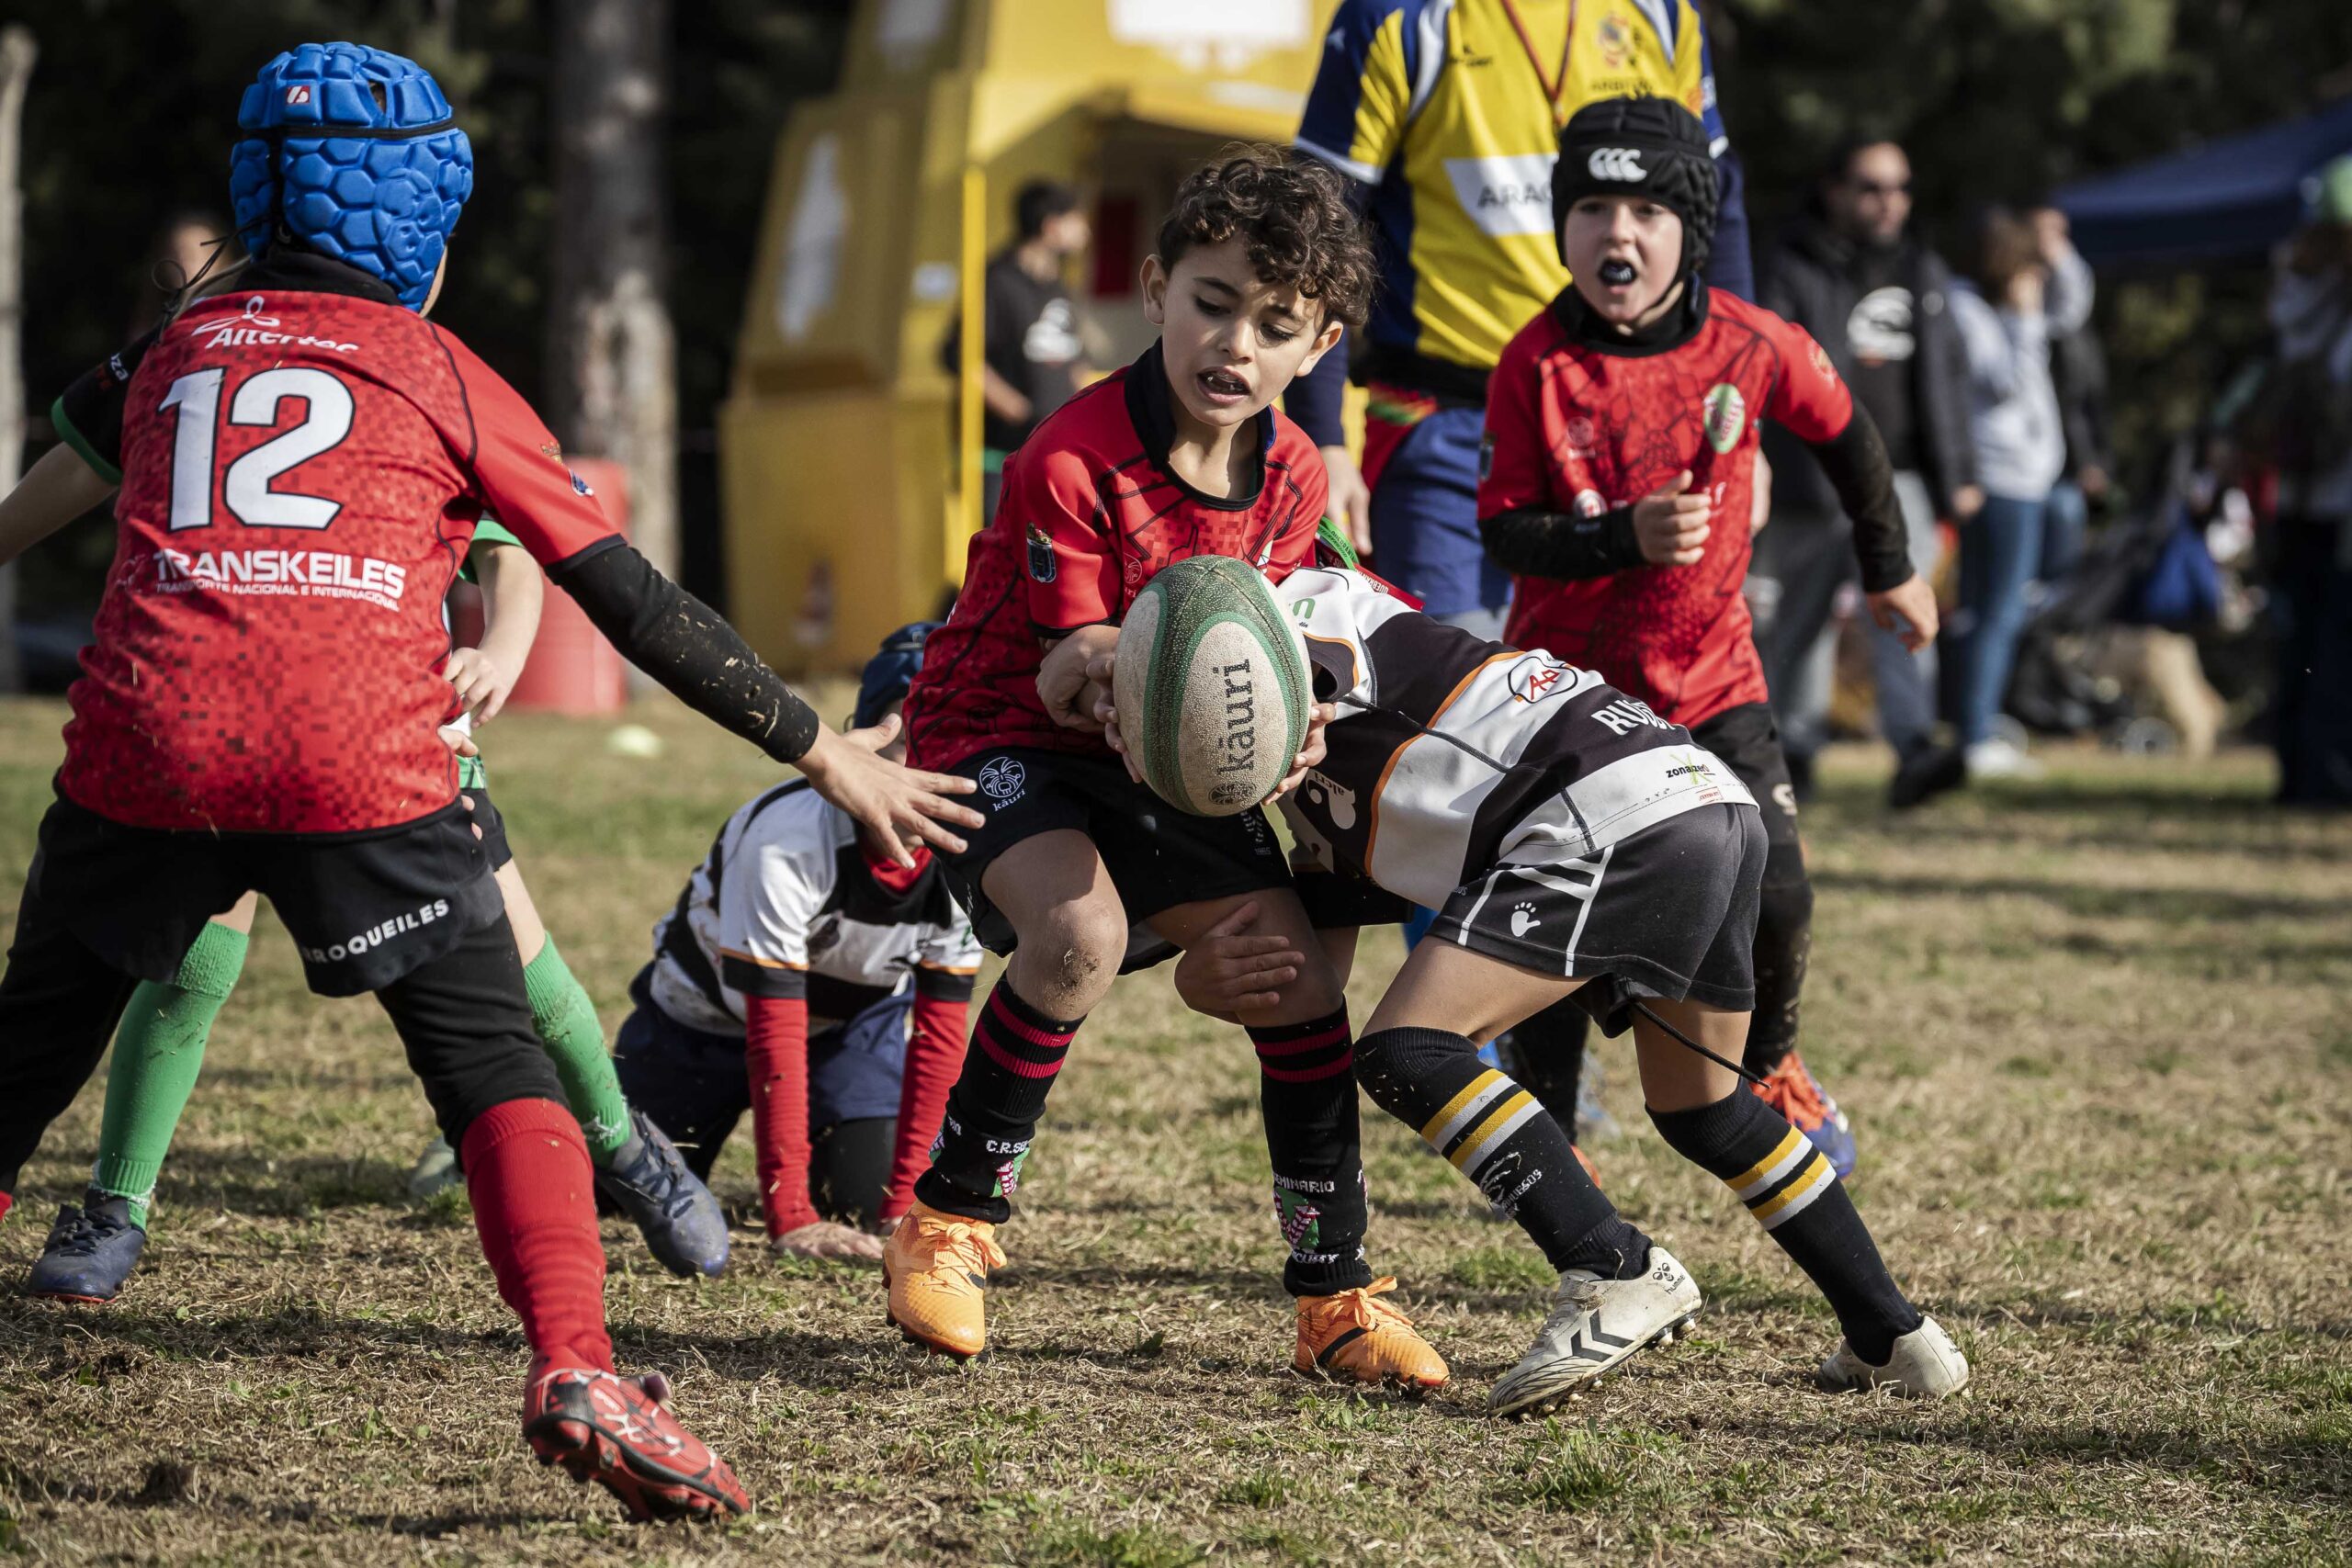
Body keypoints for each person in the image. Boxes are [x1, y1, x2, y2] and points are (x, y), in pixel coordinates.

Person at [0, 42, 982, 1522]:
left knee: (29, 1047)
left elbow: (27, 515)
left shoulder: (168, 352)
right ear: (433, 241)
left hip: (155, 737)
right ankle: (578, 1364)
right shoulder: (445, 366)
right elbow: (634, 597)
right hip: (362, 757)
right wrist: (821, 744)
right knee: (492, 1069)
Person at [1136, 560, 1968, 1414]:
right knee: (1705, 1106)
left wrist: (1299, 706)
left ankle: (1612, 1265)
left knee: (1407, 1051)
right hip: (1703, 801)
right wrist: (1208, 977)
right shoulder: (1306, 789)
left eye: (1109, 675)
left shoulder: (1292, 611)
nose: (1107, 706)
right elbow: (1314, 975)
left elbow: (1328, 654)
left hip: (1605, 813)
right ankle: (1893, 1334)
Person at [884, 147, 1448, 1389]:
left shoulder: (1295, 471)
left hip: (1150, 754)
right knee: (1079, 931)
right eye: (1211, 300)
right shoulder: (1071, 458)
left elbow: (1264, 649)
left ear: (1320, 343)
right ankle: (948, 1220)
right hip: (1002, 733)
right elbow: (1074, 665)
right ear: (1152, 289)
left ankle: (1335, 1298)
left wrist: (1291, 726)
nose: (1234, 343)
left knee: (1301, 976)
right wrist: (1220, 735)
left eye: (1275, 323)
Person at [24, 520, 729, 1303]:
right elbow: (82, 464)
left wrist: (500, 652)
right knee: (192, 963)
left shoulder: (416, 406)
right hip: (223, 727)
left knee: (523, 969)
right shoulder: (186, 400)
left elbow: (505, 548)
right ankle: (116, 1203)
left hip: (390, 748)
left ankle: (622, 1145)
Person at [1474, 96, 1941, 1182]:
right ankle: (1551, 1126)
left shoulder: (1750, 341)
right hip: (1566, 700)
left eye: (1644, 209)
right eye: (1590, 206)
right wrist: (1616, 538)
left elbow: (1849, 435)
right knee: (1554, 922)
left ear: (1690, 228)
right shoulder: (1532, 363)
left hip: (1714, 681)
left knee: (1780, 889)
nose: (1616, 234)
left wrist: (1892, 570)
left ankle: (1771, 1063)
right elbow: (1504, 533)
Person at [1293, 0, 1756, 637]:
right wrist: (1323, 439)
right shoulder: (1396, 17)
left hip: (1631, 421)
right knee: (1450, 700)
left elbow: (1716, 208)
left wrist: (1740, 421)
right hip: (1446, 425)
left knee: (1617, 703)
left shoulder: (1664, 15)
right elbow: (1315, 225)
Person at [613, 624, 983, 1260]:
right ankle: (499, 1127)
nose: (930, 762)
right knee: (614, 1193)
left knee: (864, 1197)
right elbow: (773, 1029)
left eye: (954, 733)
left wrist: (906, 1208)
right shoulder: (786, 839)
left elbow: (940, 1036)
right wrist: (790, 1219)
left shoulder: (974, 849)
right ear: (858, 743)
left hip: (847, 1029)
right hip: (702, 1025)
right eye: (910, 731)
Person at [1748, 138, 1982, 808]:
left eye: (1900, 187)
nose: (1889, 202)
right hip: (1808, 475)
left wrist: (1958, 470)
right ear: (1833, 189)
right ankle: (1790, 752)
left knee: (1902, 611)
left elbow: (1947, 376)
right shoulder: (1792, 263)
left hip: (1897, 478)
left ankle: (1913, 748)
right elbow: (1761, 367)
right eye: (1872, 187)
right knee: (1795, 624)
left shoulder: (1921, 266)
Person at [1947, 207, 2093, 782]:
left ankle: (1975, 726)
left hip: (2025, 476)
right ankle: (1976, 736)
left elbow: (2074, 307)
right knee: (1998, 610)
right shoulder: (1966, 307)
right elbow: (2003, 381)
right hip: (2001, 476)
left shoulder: (2004, 306)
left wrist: (2060, 253)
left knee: (1992, 608)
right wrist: (2026, 317)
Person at [2257, 152, 2352, 807]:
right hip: (2334, 499)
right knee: (2330, 643)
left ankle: (2302, 771)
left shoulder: (2297, 293)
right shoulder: (2318, 301)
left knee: (2307, 638)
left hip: (2302, 495)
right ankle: (2320, 776)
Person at [942, 180, 1094, 524]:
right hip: (1002, 456)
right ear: (1051, 226)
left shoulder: (1057, 283)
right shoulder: (998, 280)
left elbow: (1074, 355)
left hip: (1054, 454)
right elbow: (961, 358)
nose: (1085, 230)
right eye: (1076, 220)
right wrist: (1018, 410)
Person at [2030, 205, 2111, 591]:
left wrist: (2093, 459)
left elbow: (2089, 399)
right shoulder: (2006, 308)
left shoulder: (2073, 331)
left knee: (2058, 575)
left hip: (2065, 465)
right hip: (2017, 469)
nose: (2050, 245)